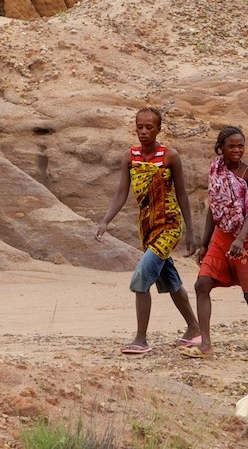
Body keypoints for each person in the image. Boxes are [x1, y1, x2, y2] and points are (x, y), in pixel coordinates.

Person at [95, 107, 201, 355]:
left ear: (158, 129)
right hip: (147, 227)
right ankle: (194, 328)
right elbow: (122, 192)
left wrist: (191, 232)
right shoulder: (129, 156)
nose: (143, 132)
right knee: (170, 279)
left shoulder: (170, 156)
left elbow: (183, 195)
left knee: (142, 275)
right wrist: (105, 221)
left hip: (169, 225)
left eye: (149, 127)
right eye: (139, 127)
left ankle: (141, 339)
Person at [180, 125, 248, 361]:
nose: (237, 150)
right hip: (220, 236)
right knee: (202, 284)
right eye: (231, 146)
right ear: (220, 148)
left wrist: (241, 238)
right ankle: (206, 344)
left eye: (241, 145)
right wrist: (205, 242)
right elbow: (214, 207)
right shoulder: (216, 170)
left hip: (243, 240)